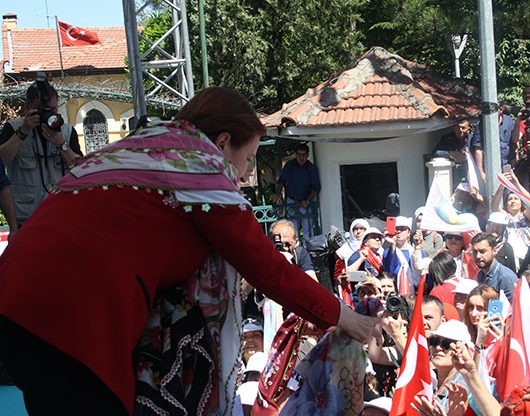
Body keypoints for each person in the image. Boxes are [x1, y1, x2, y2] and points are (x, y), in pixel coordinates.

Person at [0, 87, 381, 416]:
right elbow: (266, 267)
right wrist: (343, 316)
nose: (246, 175)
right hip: (73, 321)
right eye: (247, 159)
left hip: (15, 302)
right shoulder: (198, 168)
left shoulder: (138, 147)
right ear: (222, 143)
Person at [0, 73, 82, 226]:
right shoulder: (14, 128)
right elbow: (1, 162)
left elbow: (80, 169)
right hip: (25, 217)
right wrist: (23, 132)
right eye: (42, 110)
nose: (48, 114)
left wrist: (62, 145)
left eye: (52, 109)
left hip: (60, 214)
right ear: (28, 107)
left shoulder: (66, 131)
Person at [272, 143, 321, 239]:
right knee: (293, 232)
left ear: (307, 155)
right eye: (299, 154)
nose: (301, 157)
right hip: (291, 201)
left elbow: (316, 188)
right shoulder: (289, 166)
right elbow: (281, 181)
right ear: (295, 154)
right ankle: (295, 252)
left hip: (306, 202)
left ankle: (308, 252)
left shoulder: (311, 168)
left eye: (303, 155)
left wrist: (307, 201)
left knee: (308, 232)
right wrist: (277, 194)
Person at [471, 100, 517, 183]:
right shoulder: (481, 125)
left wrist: (514, 163)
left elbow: (513, 143)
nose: (489, 114)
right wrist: (481, 172)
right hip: (489, 169)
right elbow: (478, 149)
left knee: (509, 194)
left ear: (501, 110)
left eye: (492, 111)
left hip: (507, 167)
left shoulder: (509, 121)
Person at [471, 232, 517, 301]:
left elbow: (509, 308)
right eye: (475, 252)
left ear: (494, 251)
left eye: (482, 251)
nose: (478, 256)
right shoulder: (480, 275)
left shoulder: (505, 277)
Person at [382, 216, 416, 294]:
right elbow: (390, 271)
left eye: (403, 229)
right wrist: (393, 244)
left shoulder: (415, 251)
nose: (399, 231)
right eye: (396, 229)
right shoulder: (388, 252)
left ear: (409, 233)